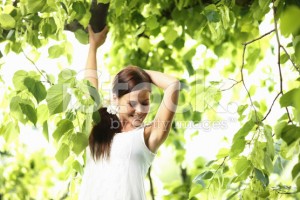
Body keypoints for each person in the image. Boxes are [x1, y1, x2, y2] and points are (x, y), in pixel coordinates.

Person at [78, 25, 180, 200]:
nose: (140, 110)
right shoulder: (98, 123)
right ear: (115, 99)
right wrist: (93, 46)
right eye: (132, 103)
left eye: (145, 102)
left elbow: (173, 85)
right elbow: (90, 85)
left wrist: (138, 74)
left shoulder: (148, 136)